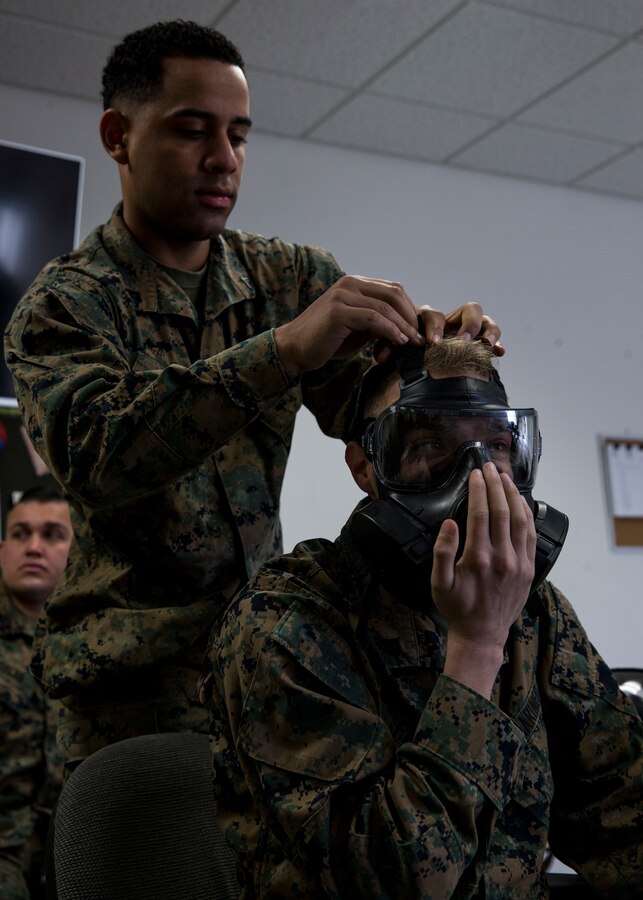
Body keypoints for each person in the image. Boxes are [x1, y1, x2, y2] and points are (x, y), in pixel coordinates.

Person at [3, 20, 501, 769]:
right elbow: (95, 456)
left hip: (270, 664)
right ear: (117, 135)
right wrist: (282, 351)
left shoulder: (289, 278)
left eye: (238, 135)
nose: (222, 160)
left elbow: (365, 418)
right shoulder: (66, 305)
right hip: (127, 690)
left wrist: (437, 361)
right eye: (192, 130)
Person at [202, 338, 642, 898]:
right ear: (366, 467)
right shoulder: (282, 624)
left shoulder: (534, 612)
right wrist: (479, 646)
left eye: (498, 446)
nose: (478, 476)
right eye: (431, 443)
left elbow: (622, 812)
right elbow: (391, 883)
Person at [0, 487, 73, 900]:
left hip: (72, 853)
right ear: (1, 548)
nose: (33, 547)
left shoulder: (104, 641)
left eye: (52, 534)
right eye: (20, 534)